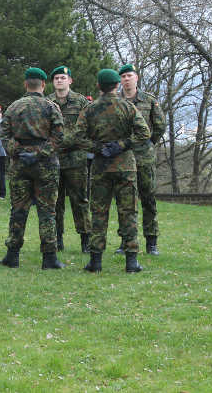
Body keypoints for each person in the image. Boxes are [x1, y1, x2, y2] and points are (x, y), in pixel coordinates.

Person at [75, 68, 151, 273]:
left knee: (99, 212)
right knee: (128, 212)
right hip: (125, 166)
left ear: (99, 86)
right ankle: (131, 261)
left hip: (101, 167)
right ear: (117, 85)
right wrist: (123, 145)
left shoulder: (89, 110)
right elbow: (144, 132)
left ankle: (96, 261)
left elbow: (78, 138)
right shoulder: (128, 107)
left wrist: (99, 148)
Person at [0, 67, 65, 270]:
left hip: (20, 165)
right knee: (47, 211)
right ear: (43, 85)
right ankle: (50, 257)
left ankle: (12, 255)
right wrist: (40, 154)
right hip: (46, 165)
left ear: (26, 84)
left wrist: (18, 152)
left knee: (18, 209)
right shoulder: (51, 107)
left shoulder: (13, 107)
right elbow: (59, 136)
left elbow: (4, 135)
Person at [117, 64, 166, 255]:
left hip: (144, 158)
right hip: (122, 157)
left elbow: (159, 126)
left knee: (148, 199)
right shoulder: (116, 101)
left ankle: (151, 242)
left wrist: (148, 144)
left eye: (129, 75)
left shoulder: (149, 101)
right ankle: (126, 241)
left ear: (136, 78)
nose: (126, 79)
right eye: (123, 76)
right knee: (125, 202)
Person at [47, 66, 92, 253]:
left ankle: (85, 239)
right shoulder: (47, 102)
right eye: (56, 78)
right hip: (53, 160)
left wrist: (72, 142)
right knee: (54, 202)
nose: (59, 81)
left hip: (76, 160)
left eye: (63, 77)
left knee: (80, 200)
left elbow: (89, 127)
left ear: (70, 81)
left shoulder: (81, 102)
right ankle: (57, 239)